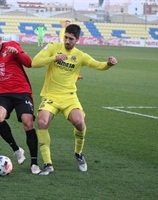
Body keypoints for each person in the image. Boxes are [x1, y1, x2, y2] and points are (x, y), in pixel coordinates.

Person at [31, 24, 117, 175]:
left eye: (71, 39)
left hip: (69, 97)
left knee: (80, 122)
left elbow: (97, 65)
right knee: (42, 122)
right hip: (50, 96)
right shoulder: (53, 46)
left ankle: (78, 153)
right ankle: (48, 163)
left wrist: (108, 64)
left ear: (77, 39)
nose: (67, 41)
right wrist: (54, 58)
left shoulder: (80, 55)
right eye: (66, 37)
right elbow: (34, 63)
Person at [0, 28, 44, 175]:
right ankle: (17, 150)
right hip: (3, 94)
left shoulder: (12, 45)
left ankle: (34, 163)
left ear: (0, 39)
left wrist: (17, 53)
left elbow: (29, 63)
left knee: (27, 122)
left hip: (22, 92)